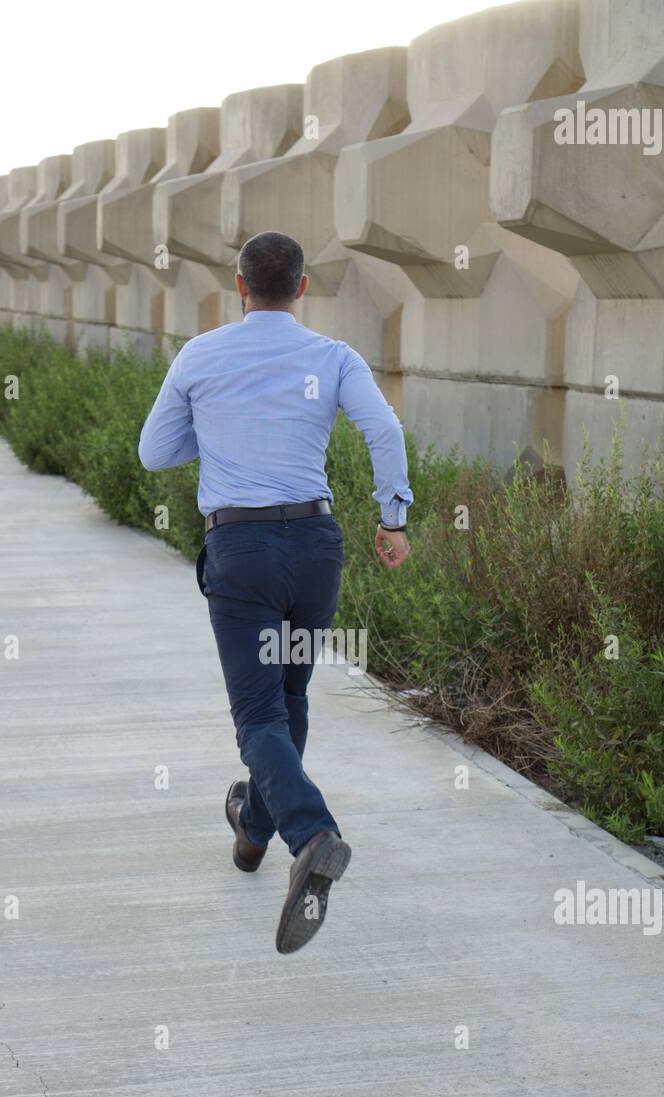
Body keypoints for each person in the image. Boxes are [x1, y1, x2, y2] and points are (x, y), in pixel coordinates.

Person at [139, 230, 412, 954]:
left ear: (238, 286)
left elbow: (154, 451)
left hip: (243, 553)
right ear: (300, 287)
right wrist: (394, 518)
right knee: (290, 703)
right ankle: (253, 830)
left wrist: (225, 430)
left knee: (259, 717)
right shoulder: (332, 357)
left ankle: (312, 835)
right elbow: (385, 430)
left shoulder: (200, 356)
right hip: (315, 551)